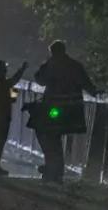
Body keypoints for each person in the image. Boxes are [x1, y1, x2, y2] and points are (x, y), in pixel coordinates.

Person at [31, 40, 99, 182]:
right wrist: (96, 93)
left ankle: (52, 169)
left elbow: (39, 79)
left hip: (53, 109)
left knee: (47, 136)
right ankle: (56, 170)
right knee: (55, 138)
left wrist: (45, 64)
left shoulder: (50, 65)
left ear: (53, 52)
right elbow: (86, 84)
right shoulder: (75, 66)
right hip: (71, 110)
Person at [0, 58, 27, 176]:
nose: (6, 69)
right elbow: (13, 82)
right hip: (1, 114)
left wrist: (12, 95)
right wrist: (22, 70)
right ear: (0, 69)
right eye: (4, 67)